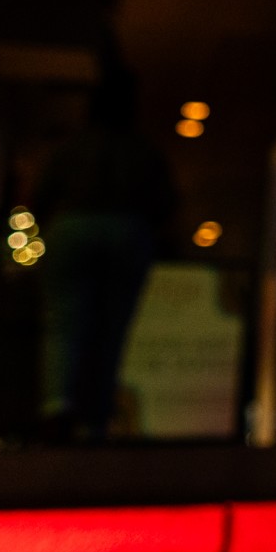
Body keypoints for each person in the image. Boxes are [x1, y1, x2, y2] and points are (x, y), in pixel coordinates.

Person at [32, 79, 175, 442]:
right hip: (128, 228)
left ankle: (57, 406)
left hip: (72, 224)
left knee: (64, 323)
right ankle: (94, 417)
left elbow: (40, 194)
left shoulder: (72, 147)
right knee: (112, 329)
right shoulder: (143, 150)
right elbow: (165, 202)